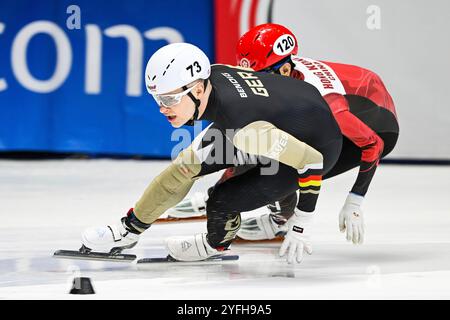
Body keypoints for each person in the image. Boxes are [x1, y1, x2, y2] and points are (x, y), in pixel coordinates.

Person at [81, 42, 343, 264]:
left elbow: (311, 161)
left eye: (170, 100)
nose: (162, 108)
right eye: (158, 99)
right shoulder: (213, 75)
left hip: (318, 145)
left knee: (221, 200)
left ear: (197, 90)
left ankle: (215, 244)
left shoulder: (246, 128)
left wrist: (301, 225)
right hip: (271, 119)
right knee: (184, 167)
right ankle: (129, 231)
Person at [168, 23, 399, 245]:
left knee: (289, 159)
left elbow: (373, 144)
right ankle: (233, 198)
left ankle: (281, 220)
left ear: (285, 69)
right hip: (350, 103)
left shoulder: (330, 102)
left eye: (260, 77)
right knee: (255, 129)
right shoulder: (285, 72)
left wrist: (355, 200)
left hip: (377, 130)